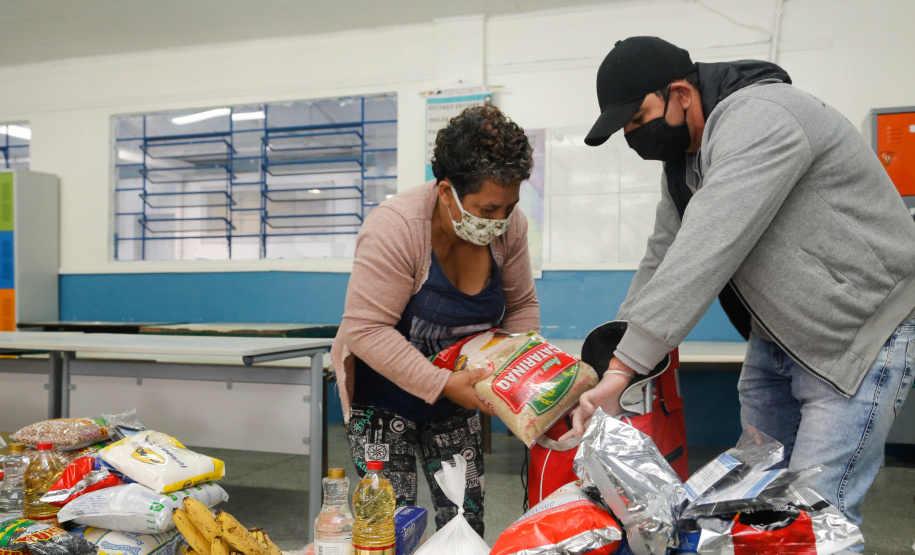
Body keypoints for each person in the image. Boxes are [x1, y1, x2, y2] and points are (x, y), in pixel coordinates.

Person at [565, 36, 915, 536]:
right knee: (756, 508)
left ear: (681, 93)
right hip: (776, 343)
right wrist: (610, 360)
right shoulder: (685, 163)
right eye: (626, 128)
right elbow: (662, 258)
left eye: (639, 118)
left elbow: (706, 248)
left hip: (855, 339)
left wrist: (625, 370)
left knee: (815, 523)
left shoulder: (761, 116)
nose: (634, 135)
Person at [330, 104, 539, 536]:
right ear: (447, 192)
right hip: (383, 403)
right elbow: (365, 329)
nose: (500, 222)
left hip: (456, 400)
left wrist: (519, 378)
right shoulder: (397, 227)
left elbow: (521, 307)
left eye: (510, 207)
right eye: (487, 210)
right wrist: (441, 382)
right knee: (388, 527)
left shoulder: (509, 226)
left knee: (464, 522)